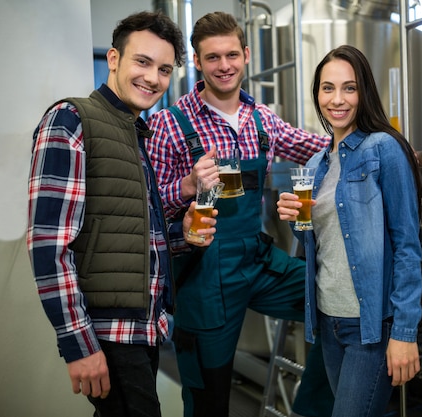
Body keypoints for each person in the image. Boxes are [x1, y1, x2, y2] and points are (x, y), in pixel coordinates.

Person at [27, 11, 217, 417]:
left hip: (143, 329)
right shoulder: (71, 119)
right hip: (109, 333)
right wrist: (77, 343)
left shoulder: (134, 131)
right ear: (114, 59)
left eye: (164, 69)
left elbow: (129, 234)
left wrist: (180, 235)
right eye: (143, 62)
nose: (153, 78)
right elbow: (48, 243)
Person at [147, 11, 334, 417]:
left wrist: (373, 143)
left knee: (335, 303)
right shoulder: (170, 123)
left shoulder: (261, 118)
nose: (224, 66)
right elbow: (147, 208)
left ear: (246, 55)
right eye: (212, 57)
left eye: (232, 55)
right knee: (208, 396)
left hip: (257, 258)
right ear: (197, 61)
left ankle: (312, 409)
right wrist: (186, 186)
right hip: (203, 273)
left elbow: (318, 147)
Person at [276, 44, 422, 417]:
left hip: (369, 328)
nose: (337, 99)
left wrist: (404, 333)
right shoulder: (314, 163)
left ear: (364, 92)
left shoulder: (383, 149)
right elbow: (321, 243)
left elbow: (407, 245)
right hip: (328, 322)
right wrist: (296, 221)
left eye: (349, 88)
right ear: (317, 94)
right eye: (327, 88)